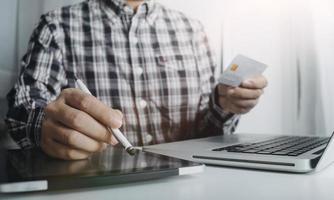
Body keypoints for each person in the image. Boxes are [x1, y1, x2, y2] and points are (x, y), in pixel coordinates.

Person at [5, 0, 267, 160]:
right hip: (99, 188)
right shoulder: (56, 26)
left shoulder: (193, 30)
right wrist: (45, 126)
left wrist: (223, 106)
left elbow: (207, 134)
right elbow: (20, 112)